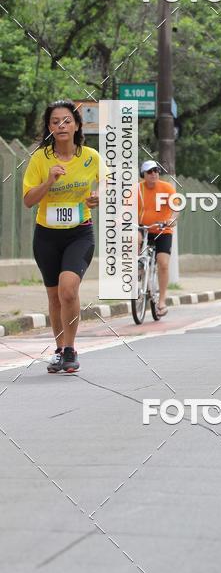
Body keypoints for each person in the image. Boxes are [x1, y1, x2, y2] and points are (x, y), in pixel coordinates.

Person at [23, 100, 102, 374]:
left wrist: (98, 196)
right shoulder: (40, 158)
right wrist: (49, 181)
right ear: (49, 127)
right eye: (55, 121)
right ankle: (58, 350)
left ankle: (70, 348)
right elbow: (28, 200)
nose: (61, 125)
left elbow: (108, 185)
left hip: (80, 233)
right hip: (46, 236)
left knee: (69, 289)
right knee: (55, 297)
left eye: (67, 120)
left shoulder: (91, 157)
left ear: (77, 125)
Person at [137, 161, 178, 317]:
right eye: (149, 171)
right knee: (133, 238)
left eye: (156, 170)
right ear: (143, 175)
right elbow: (126, 209)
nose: (153, 174)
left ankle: (161, 301)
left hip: (163, 230)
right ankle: (139, 269)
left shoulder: (167, 188)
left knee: (163, 263)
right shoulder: (137, 189)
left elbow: (176, 209)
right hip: (143, 229)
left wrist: (171, 220)